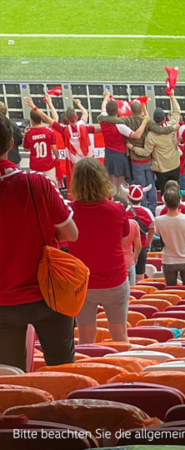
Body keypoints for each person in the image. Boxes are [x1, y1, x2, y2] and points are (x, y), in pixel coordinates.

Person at [0, 114, 78, 370]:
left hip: (3, 302)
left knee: (9, 380)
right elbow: (71, 234)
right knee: (62, 370)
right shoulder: (37, 183)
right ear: (12, 144)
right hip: (48, 294)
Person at [69, 158, 130, 344]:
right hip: (114, 280)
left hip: (82, 283)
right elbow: (124, 238)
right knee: (120, 335)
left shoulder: (68, 211)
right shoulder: (118, 209)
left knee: (85, 339)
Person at [98, 90, 150, 196]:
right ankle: (123, 204)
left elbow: (103, 106)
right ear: (117, 111)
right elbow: (136, 135)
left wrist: (106, 96)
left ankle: (113, 202)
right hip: (120, 155)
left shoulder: (102, 119)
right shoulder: (119, 125)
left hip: (108, 154)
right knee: (122, 181)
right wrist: (145, 121)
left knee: (112, 180)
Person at [155, 189, 185, 287]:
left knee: (171, 291)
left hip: (168, 260)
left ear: (165, 203)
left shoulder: (159, 220)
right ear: (179, 202)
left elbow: (157, 233)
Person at [145, 93, 182, 193]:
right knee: (176, 191)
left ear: (154, 120)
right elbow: (177, 112)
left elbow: (147, 151)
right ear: (165, 118)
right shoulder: (172, 126)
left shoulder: (151, 135)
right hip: (174, 165)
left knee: (164, 193)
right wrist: (172, 96)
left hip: (161, 169)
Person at [22, 104, 58, 185]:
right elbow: (55, 149)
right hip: (48, 166)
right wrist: (57, 157)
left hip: (35, 167)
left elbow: (26, 149)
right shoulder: (49, 131)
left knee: (35, 189)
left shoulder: (28, 132)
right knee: (52, 188)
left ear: (31, 120)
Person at [127, 184, 155, 282]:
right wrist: (149, 243)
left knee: (127, 276)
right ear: (142, 198)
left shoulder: (124, 212)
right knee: (140, 275)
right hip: (142, 245)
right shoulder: (148, 212)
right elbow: (152, 228)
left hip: (127, 248)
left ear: (128, 197)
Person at [115, 195, 142, 286]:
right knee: (132, 290)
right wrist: (135, 257)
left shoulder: (108, 224)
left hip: (115, 262)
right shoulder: (133, 224)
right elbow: (138, 245)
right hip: (129, 261)